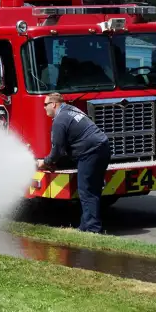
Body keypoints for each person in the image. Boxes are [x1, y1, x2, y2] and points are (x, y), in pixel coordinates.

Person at [37, 93, 111, 233]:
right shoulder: (72, 109)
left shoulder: (59, 120)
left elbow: (57, 150)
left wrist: (45, 162)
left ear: (53, 104)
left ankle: (93, 229)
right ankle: (85, 226)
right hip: (102, 147)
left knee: (87, 191)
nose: (44, 108)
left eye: (45, 104)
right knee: (91, 190)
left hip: (91, 152)